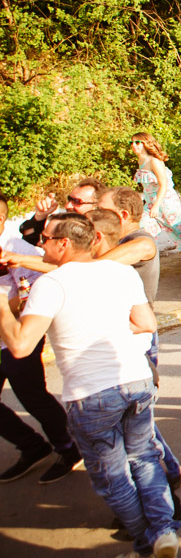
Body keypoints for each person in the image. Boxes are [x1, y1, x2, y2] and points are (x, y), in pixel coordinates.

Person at [0, 213, 180, 558]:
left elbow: (21, 346)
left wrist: (3, 308)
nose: (41, 244)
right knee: (144, 459)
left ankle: (146, 542)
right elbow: (145, 322)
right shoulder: (121, 272)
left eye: (46, 239)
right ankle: (164, 530)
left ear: (63, 244)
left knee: (111, 475)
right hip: (134, 379)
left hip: (91, 393)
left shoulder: (50, 285)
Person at [93, 190, 181, 491]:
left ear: (119, 215)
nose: (92, 214)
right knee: (136, 422)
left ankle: (163, 483)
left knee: (136, 421)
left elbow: (89, 270)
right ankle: (166, 474)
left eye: (99, 210)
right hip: (120, 336)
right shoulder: (117, 242)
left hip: (138, 337)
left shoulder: (140, 242)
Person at [0, 200, 78, 486]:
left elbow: (34, 293)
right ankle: (32, 445)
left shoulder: (19, 250)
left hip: (19, 336)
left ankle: (69, 448)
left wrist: (8, 304)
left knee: (33, 397)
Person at [129, 133, 181, 254]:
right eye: (132, 143)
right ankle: (147, 257)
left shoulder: (154, 161)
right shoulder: (141, 160)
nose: (134, 145)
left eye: (138, 142)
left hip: (165, 201)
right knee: (143, 227)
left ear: (146, 143)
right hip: (150, 202)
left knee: (179, 229)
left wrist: (156, 205)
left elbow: (164, 184)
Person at [17, 178, 102, 246]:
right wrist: (40, 217)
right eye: (69, 199)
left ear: (96, 206)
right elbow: (29, 244)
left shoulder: (99, 238)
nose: (67, 206)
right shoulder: (61, 224)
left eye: (77, 202)